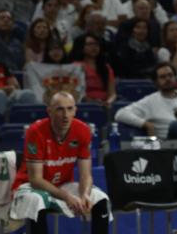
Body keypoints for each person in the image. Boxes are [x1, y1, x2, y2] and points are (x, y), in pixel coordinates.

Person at [8, 92, 110, 234]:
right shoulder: (36, 131)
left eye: (69, 109)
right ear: (49, 111)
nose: (65, 115)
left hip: (62, 184)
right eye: (60, 109)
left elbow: (85, 175)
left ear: (75, 110)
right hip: (30, 186)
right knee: (37, 200)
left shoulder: (83, 130)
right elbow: (36, 180)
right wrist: (67, 197)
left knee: (100, 199)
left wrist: (85, 194)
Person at [114, 62, 177, 140]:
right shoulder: (150, 101)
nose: (168, 79)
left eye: (170, 75)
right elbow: (120, 114)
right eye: (163, 77)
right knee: (176, 126)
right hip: (169, 145)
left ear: (175, 78)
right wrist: (146, 124)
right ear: (156, 82)